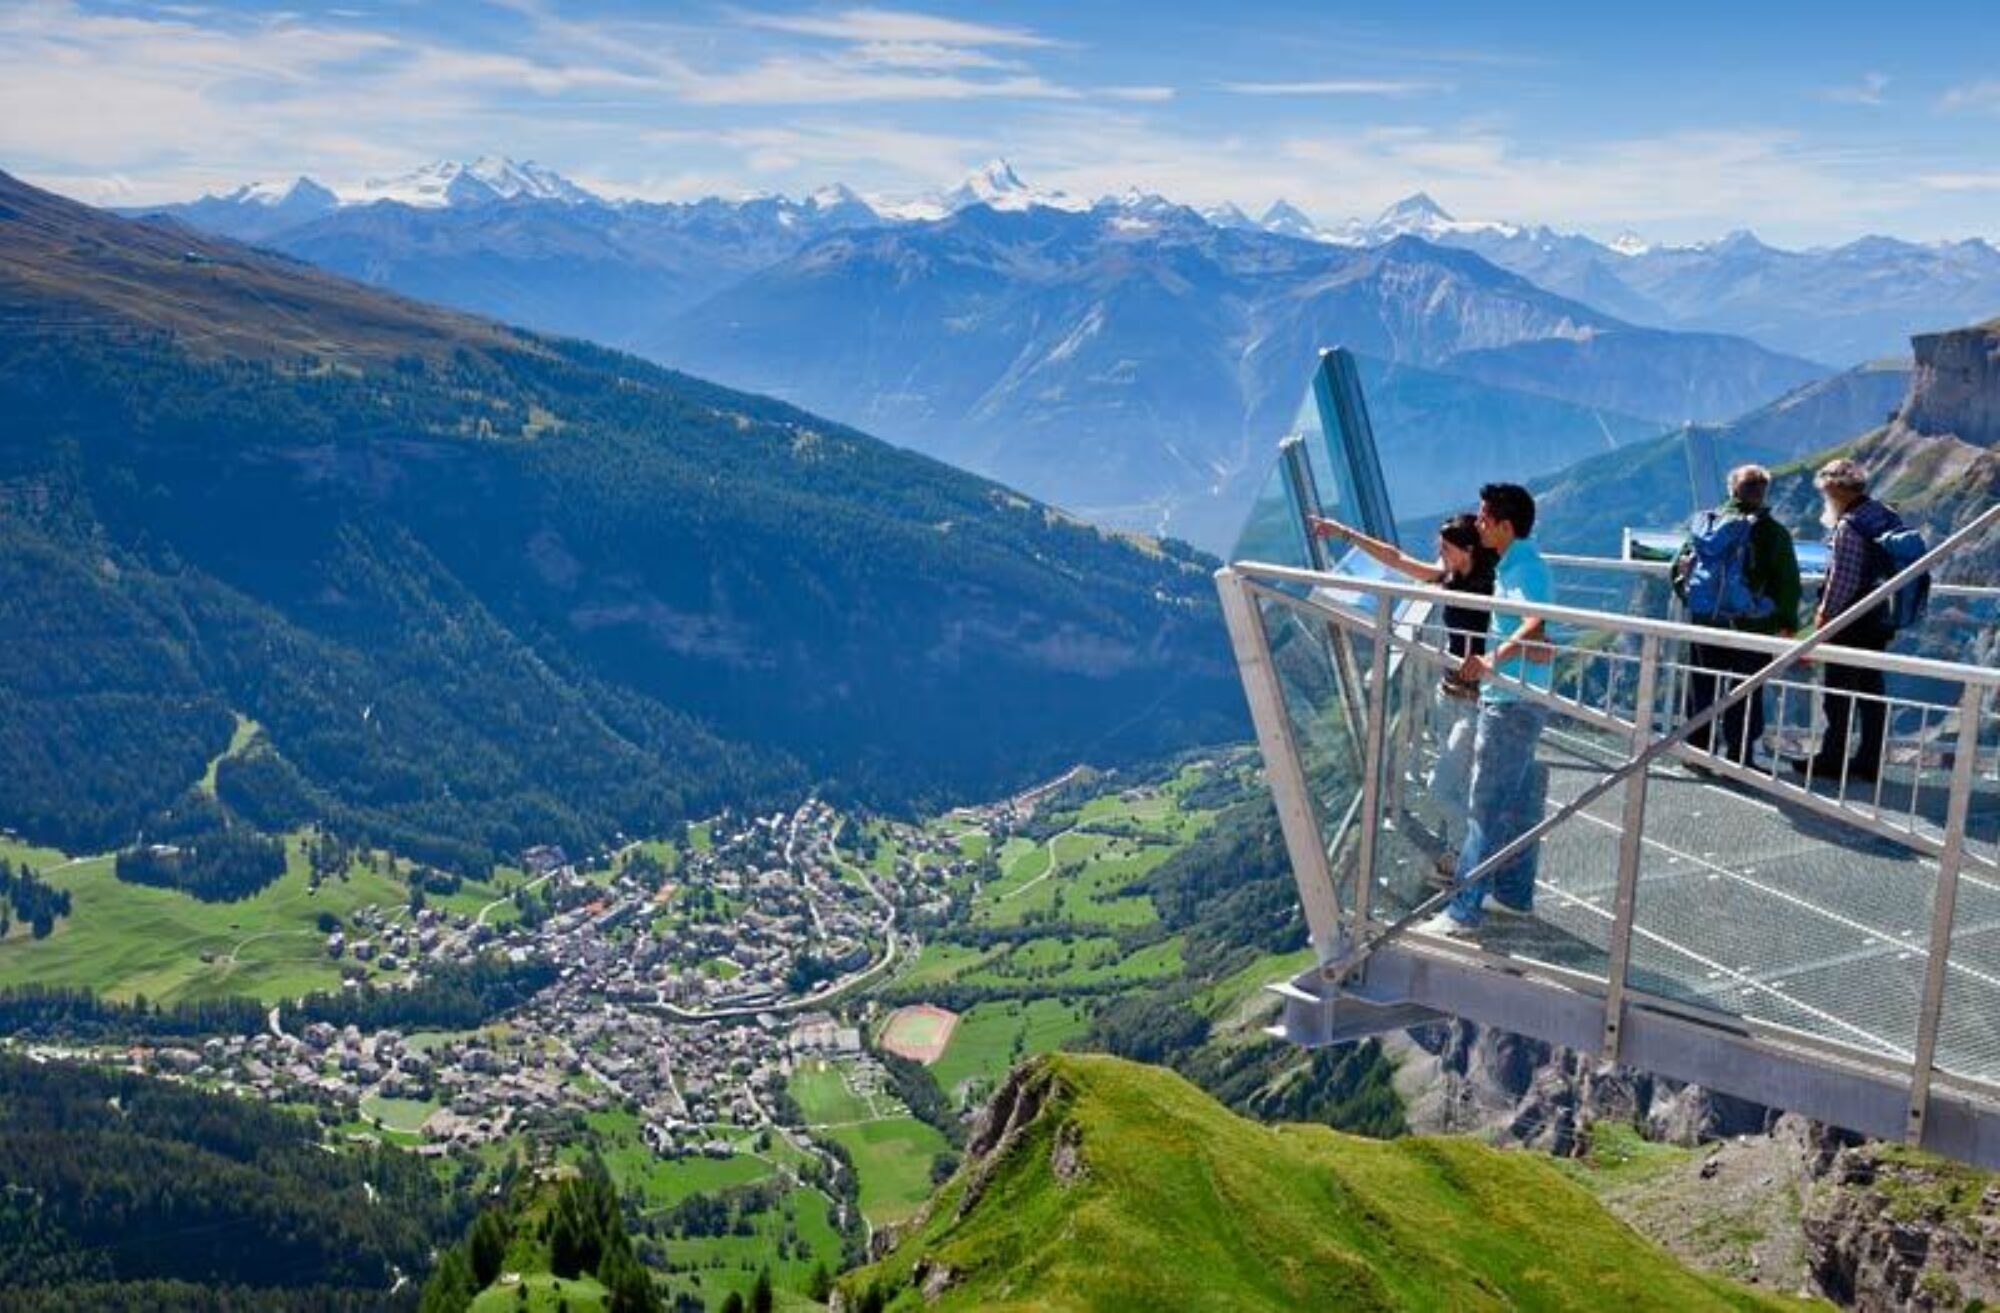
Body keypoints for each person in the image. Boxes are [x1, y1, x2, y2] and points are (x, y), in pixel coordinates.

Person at [1307, 512, 1498, 857]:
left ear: (1468, 548)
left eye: (1446, 546)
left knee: (1440, 787)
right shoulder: (1448, 577)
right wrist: (1345, 532)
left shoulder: (1491, 588)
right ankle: (1473, 854)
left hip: (1476, 701)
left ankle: (1470, 858)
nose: (1439, 552)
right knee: (1459, 782)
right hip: (1448, 694)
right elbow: (1394, 559)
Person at [1417, 483, 1554, 938]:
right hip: (1514, 697)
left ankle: (1463, 912)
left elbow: (1534, 620)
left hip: (1512, 702)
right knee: (1513, 804)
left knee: (1485, 806)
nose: (1477, 524)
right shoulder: (1513, 563)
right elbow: (1532, 629)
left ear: (1503, 525)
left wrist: (1492, 660)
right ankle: (1513, 897)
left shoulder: (1526, 568)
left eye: (1482, 518)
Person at [1671, 464, 1801, 768]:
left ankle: (1697, 750)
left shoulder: (1706, 525)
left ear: (1732, 489)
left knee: (1702, 684)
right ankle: (1739, 757)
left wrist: (1694, 601)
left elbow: (1678, 568)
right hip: (1752, 625)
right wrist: (1786, 623)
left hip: (1706, 620)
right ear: (1763, 493)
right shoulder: (1774, 533)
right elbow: (1788, 583)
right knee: (1745, 690)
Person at [1784, 458, 1902, 784]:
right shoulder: (1883, 515)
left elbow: (1844, 579)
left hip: (1851, 621)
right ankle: (1868, 761)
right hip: (1880, 615)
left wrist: (1823, 616)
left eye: (1826, 493)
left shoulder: (1850, 526)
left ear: (1836, 492)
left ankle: (1832, 759)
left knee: (1838, 693)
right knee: (1869, 691)